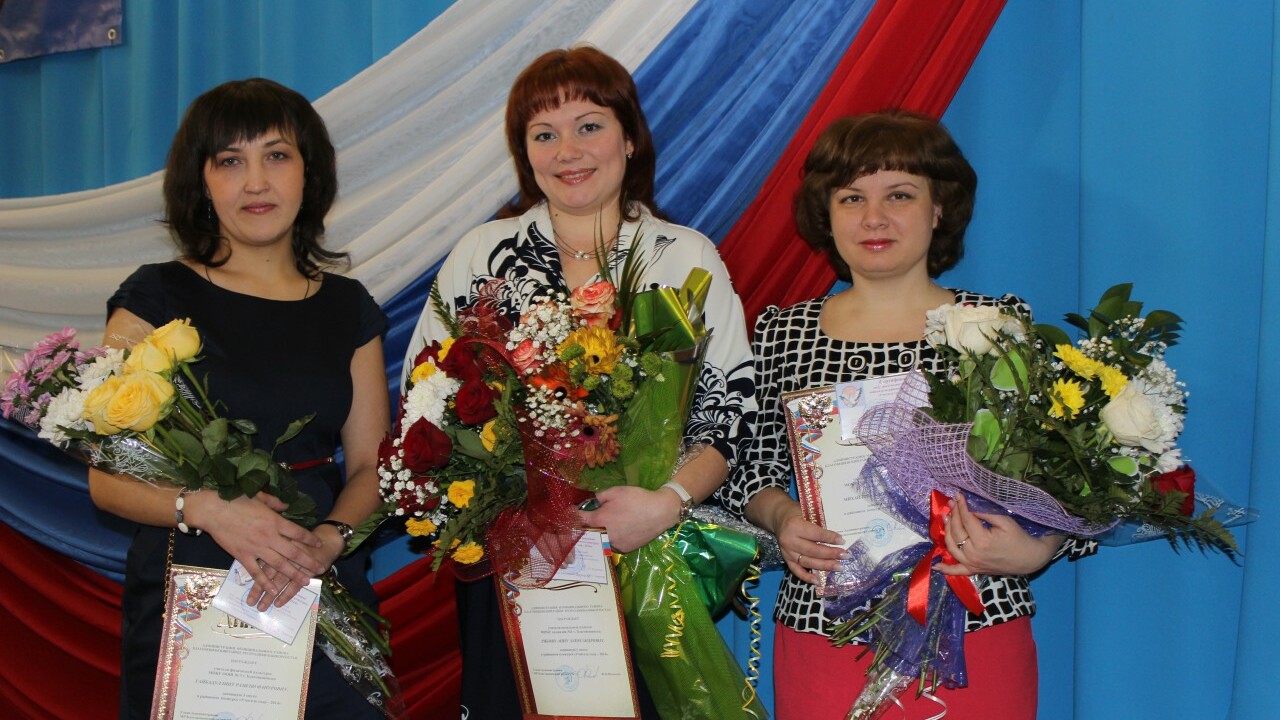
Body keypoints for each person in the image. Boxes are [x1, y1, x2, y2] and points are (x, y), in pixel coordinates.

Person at [402, 45, 757, 718]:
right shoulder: (482, 256)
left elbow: (731, 414)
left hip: (645, 553)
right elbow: (425, 403)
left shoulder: (683, 257)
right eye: (544, 134)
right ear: (524, 153)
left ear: (630, 138)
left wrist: (667, 502)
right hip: (514, 562)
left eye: (589, 126)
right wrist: (506, 506)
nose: (568, 151)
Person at [719, 110, 1095, 719]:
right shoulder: (782, 333)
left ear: (939, 207)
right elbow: (748, 471)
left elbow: (1064, 481)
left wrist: (1038, 550)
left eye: (899, 194)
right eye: (852, 197)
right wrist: (783, 518)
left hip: (978, 614)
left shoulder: (996, 327)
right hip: (825, 626)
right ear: (826, 213)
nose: (874, 217)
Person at [87, 78, 390, 719]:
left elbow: (371, 466)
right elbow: (106, 480)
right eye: (230, 161)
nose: (256, 182)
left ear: (309, 172)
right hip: (190, 588)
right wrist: (207, 509)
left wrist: (330, 541)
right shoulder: (153, 297)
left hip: (317, 581)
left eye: (276, 155)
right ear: (201, 182)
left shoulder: (349, 307)